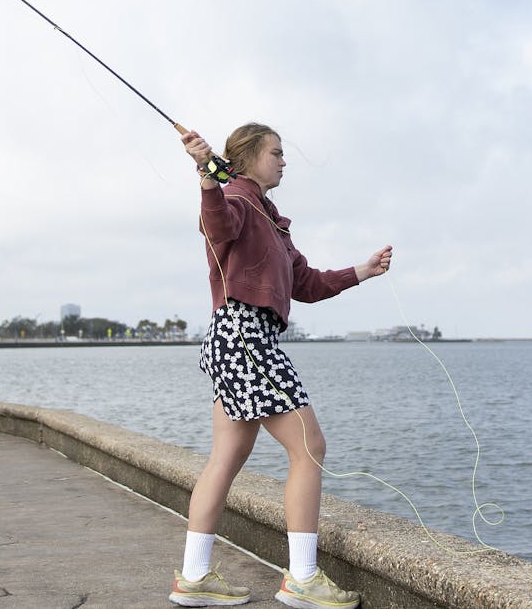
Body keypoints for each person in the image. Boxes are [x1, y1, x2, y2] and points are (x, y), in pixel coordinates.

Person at [168, 124, 392, 608]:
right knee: (310, 446)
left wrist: (363, 271)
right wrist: (206, 173)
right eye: (276, 153)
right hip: (244, 337)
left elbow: (306, 283)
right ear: (248, 158)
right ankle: (303, 579)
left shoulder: (272, 220)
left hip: (238, 340)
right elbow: (216, 223)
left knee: (226, 458)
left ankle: (194, 578)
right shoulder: (236, 200)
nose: (284, 161)